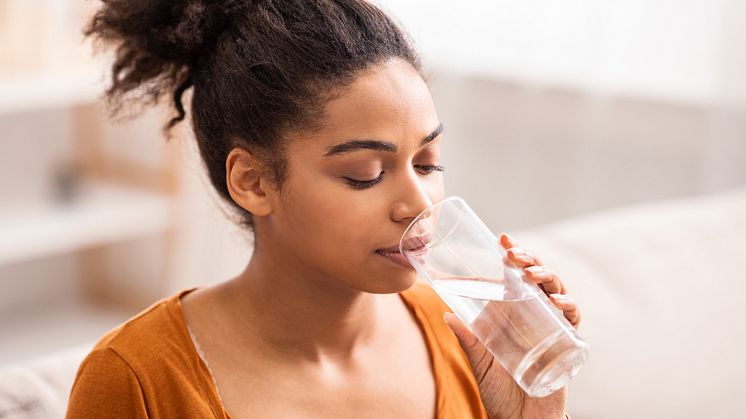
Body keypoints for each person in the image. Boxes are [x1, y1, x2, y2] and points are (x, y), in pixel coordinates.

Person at [67, 0, 581, 418]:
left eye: (427, 163)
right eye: (365, 175)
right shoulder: (136, 380)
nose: (417, 204)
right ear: (253, 181)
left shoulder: (473, 339)